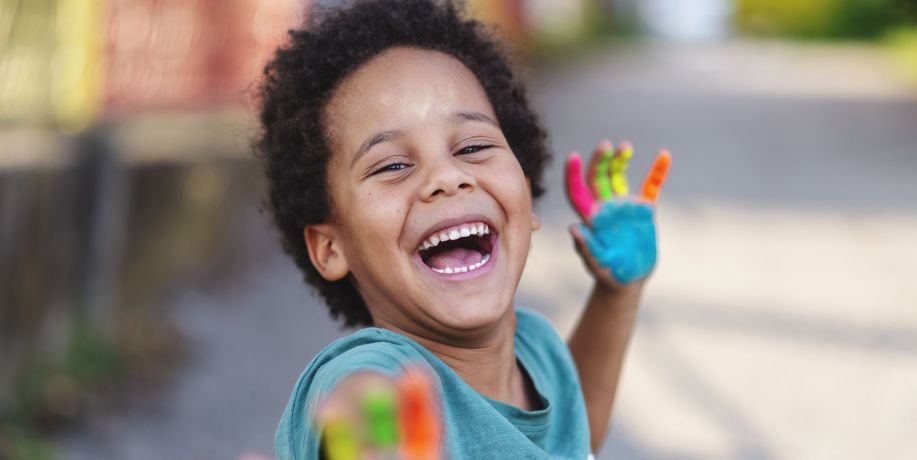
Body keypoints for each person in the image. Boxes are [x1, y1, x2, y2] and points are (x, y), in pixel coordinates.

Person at [254, 0, 671, 458]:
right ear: (330, 247)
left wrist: (617, 294)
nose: (447, 177)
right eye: (392, 165)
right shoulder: (375, 374)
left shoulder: (539, 346)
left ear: (525, 193)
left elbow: (575, 435)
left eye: (472, 147)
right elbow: (365, 409)